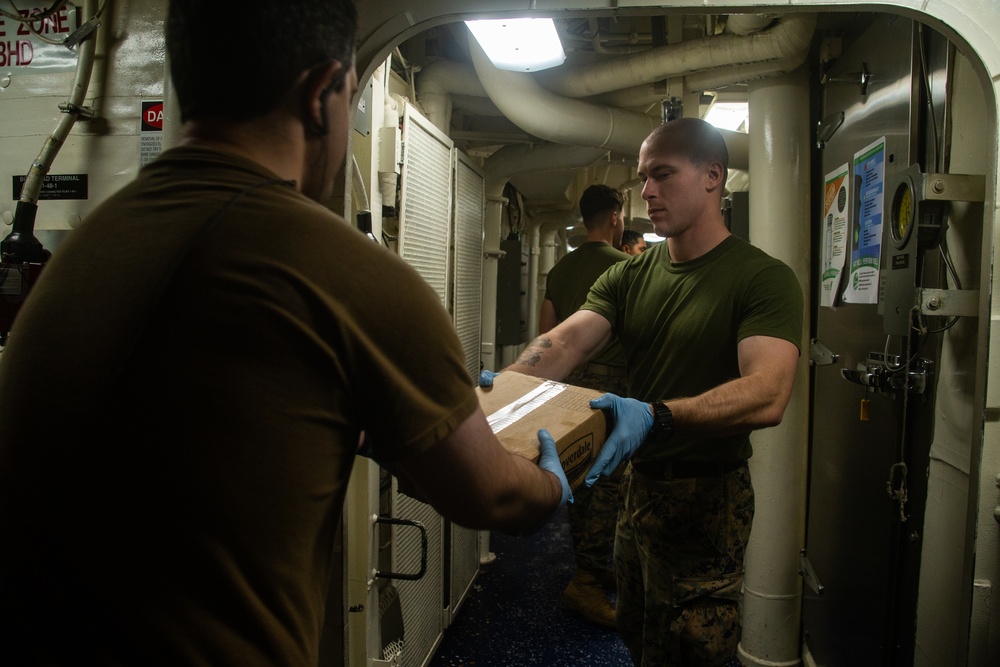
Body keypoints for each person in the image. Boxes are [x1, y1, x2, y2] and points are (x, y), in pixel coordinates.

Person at [0, 1, 570, 664]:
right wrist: (556, 484)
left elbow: (190, 427)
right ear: (321, 92)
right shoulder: (349, 275)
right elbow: (493, 492)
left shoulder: (88, 247)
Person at [485, 117, 803, 665]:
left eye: (663, 175)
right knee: (637, 631)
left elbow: (768, 393)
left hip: (708, 498)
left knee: (693, 649)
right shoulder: (630, 274)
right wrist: (499, 396)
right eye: (643, 178)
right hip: (639, 489)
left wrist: (656, 416)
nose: (647, 193)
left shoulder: (761, 278)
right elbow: (562, 344)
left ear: (711, 177)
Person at [539, 184, 629, 628]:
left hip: (568, 392)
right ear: (615, 217)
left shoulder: (560, 270)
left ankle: (594, 568)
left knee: (578, 478)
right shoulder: (628, 269)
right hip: (611, 391)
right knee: (608, 483)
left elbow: (546, 334)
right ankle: (587, 583)